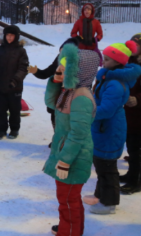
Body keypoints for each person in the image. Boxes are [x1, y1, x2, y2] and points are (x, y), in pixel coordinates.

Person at [43, 44, 100, 236]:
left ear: (78, 71)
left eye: (65, 67)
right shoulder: (70, 91)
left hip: (74, 158)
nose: (59, 68)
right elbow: (51, 103)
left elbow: (78, 134)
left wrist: (65, 161)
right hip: (65, 151)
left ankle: (70, 232)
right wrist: (54, 81)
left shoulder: (81, 98)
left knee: (68, 200)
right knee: (66, 199)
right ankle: (69, 228)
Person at [83, 41, 141, 214]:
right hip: (103, 128)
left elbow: (107, 109)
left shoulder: (114, 84)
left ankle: (109, 204)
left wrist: (87, 113)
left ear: (117, 62)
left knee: (107, 168)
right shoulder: (108, 77)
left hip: (109, 130)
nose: (103, 62)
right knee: (101, 165)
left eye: (107, 59)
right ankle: (100, 195)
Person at [28, 37, 81, 137]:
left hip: (70, 96)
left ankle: (67, 141)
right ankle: (57, 139)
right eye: (61, 50)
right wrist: (36, 71)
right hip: (57, 94)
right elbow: (46, 73)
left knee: (68, 120)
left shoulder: (77, 62)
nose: (62, 53)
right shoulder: (58, 58)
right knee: (55, 118)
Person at [0, 25, 29, 140]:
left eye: (12, 35)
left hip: (15, 87)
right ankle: (1, 130)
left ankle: (14, 130)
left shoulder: (21, 51)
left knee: (14, 110)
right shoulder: (0, 49)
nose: (9, 38)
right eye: (8, 35)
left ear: (16, 37)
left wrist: (15, 80)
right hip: (2, 86)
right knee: (1, 110)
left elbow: (23, 68)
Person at [120, 33, 141, 195]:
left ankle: (136, 180)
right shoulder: (130, 62)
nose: (133, 47)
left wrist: (138, 99)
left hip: (138, 112)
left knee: (137, 149)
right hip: (129, 112)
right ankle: (131, 174)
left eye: (137, 44)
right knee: (132, 146)